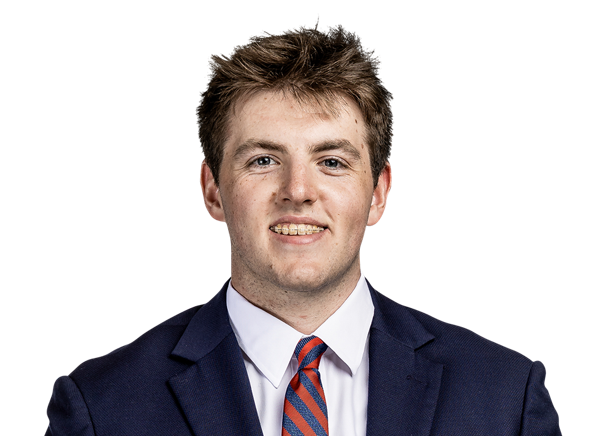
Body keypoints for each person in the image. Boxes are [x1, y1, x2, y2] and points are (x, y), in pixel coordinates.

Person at [45, 24, 561, 436]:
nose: (298, 191)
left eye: (332, 161)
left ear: (378, 193)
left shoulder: (505, 398)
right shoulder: (101, 407)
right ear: (213, 191)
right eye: (263, 160)